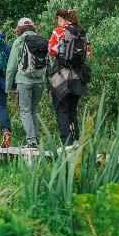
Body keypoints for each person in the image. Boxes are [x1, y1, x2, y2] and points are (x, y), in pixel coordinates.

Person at [47, 9, 91, 146]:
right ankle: (76, 138)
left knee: (61, 108)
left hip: (61, 75)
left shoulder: (58, 31)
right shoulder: (81, 32)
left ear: (60, 18)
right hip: (78, 76)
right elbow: (89, 53)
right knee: (72, 109)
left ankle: (67, 142)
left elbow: (52, 50)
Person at [4, 18, 47, 149]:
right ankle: (36, 140)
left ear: (19, 28)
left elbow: (11, 67)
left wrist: (8, 87)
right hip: (40, 81)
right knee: (33, 110)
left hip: (24, 80)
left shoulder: (19, 41)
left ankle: (31, 141)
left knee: (25, 111)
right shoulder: (42, 40)